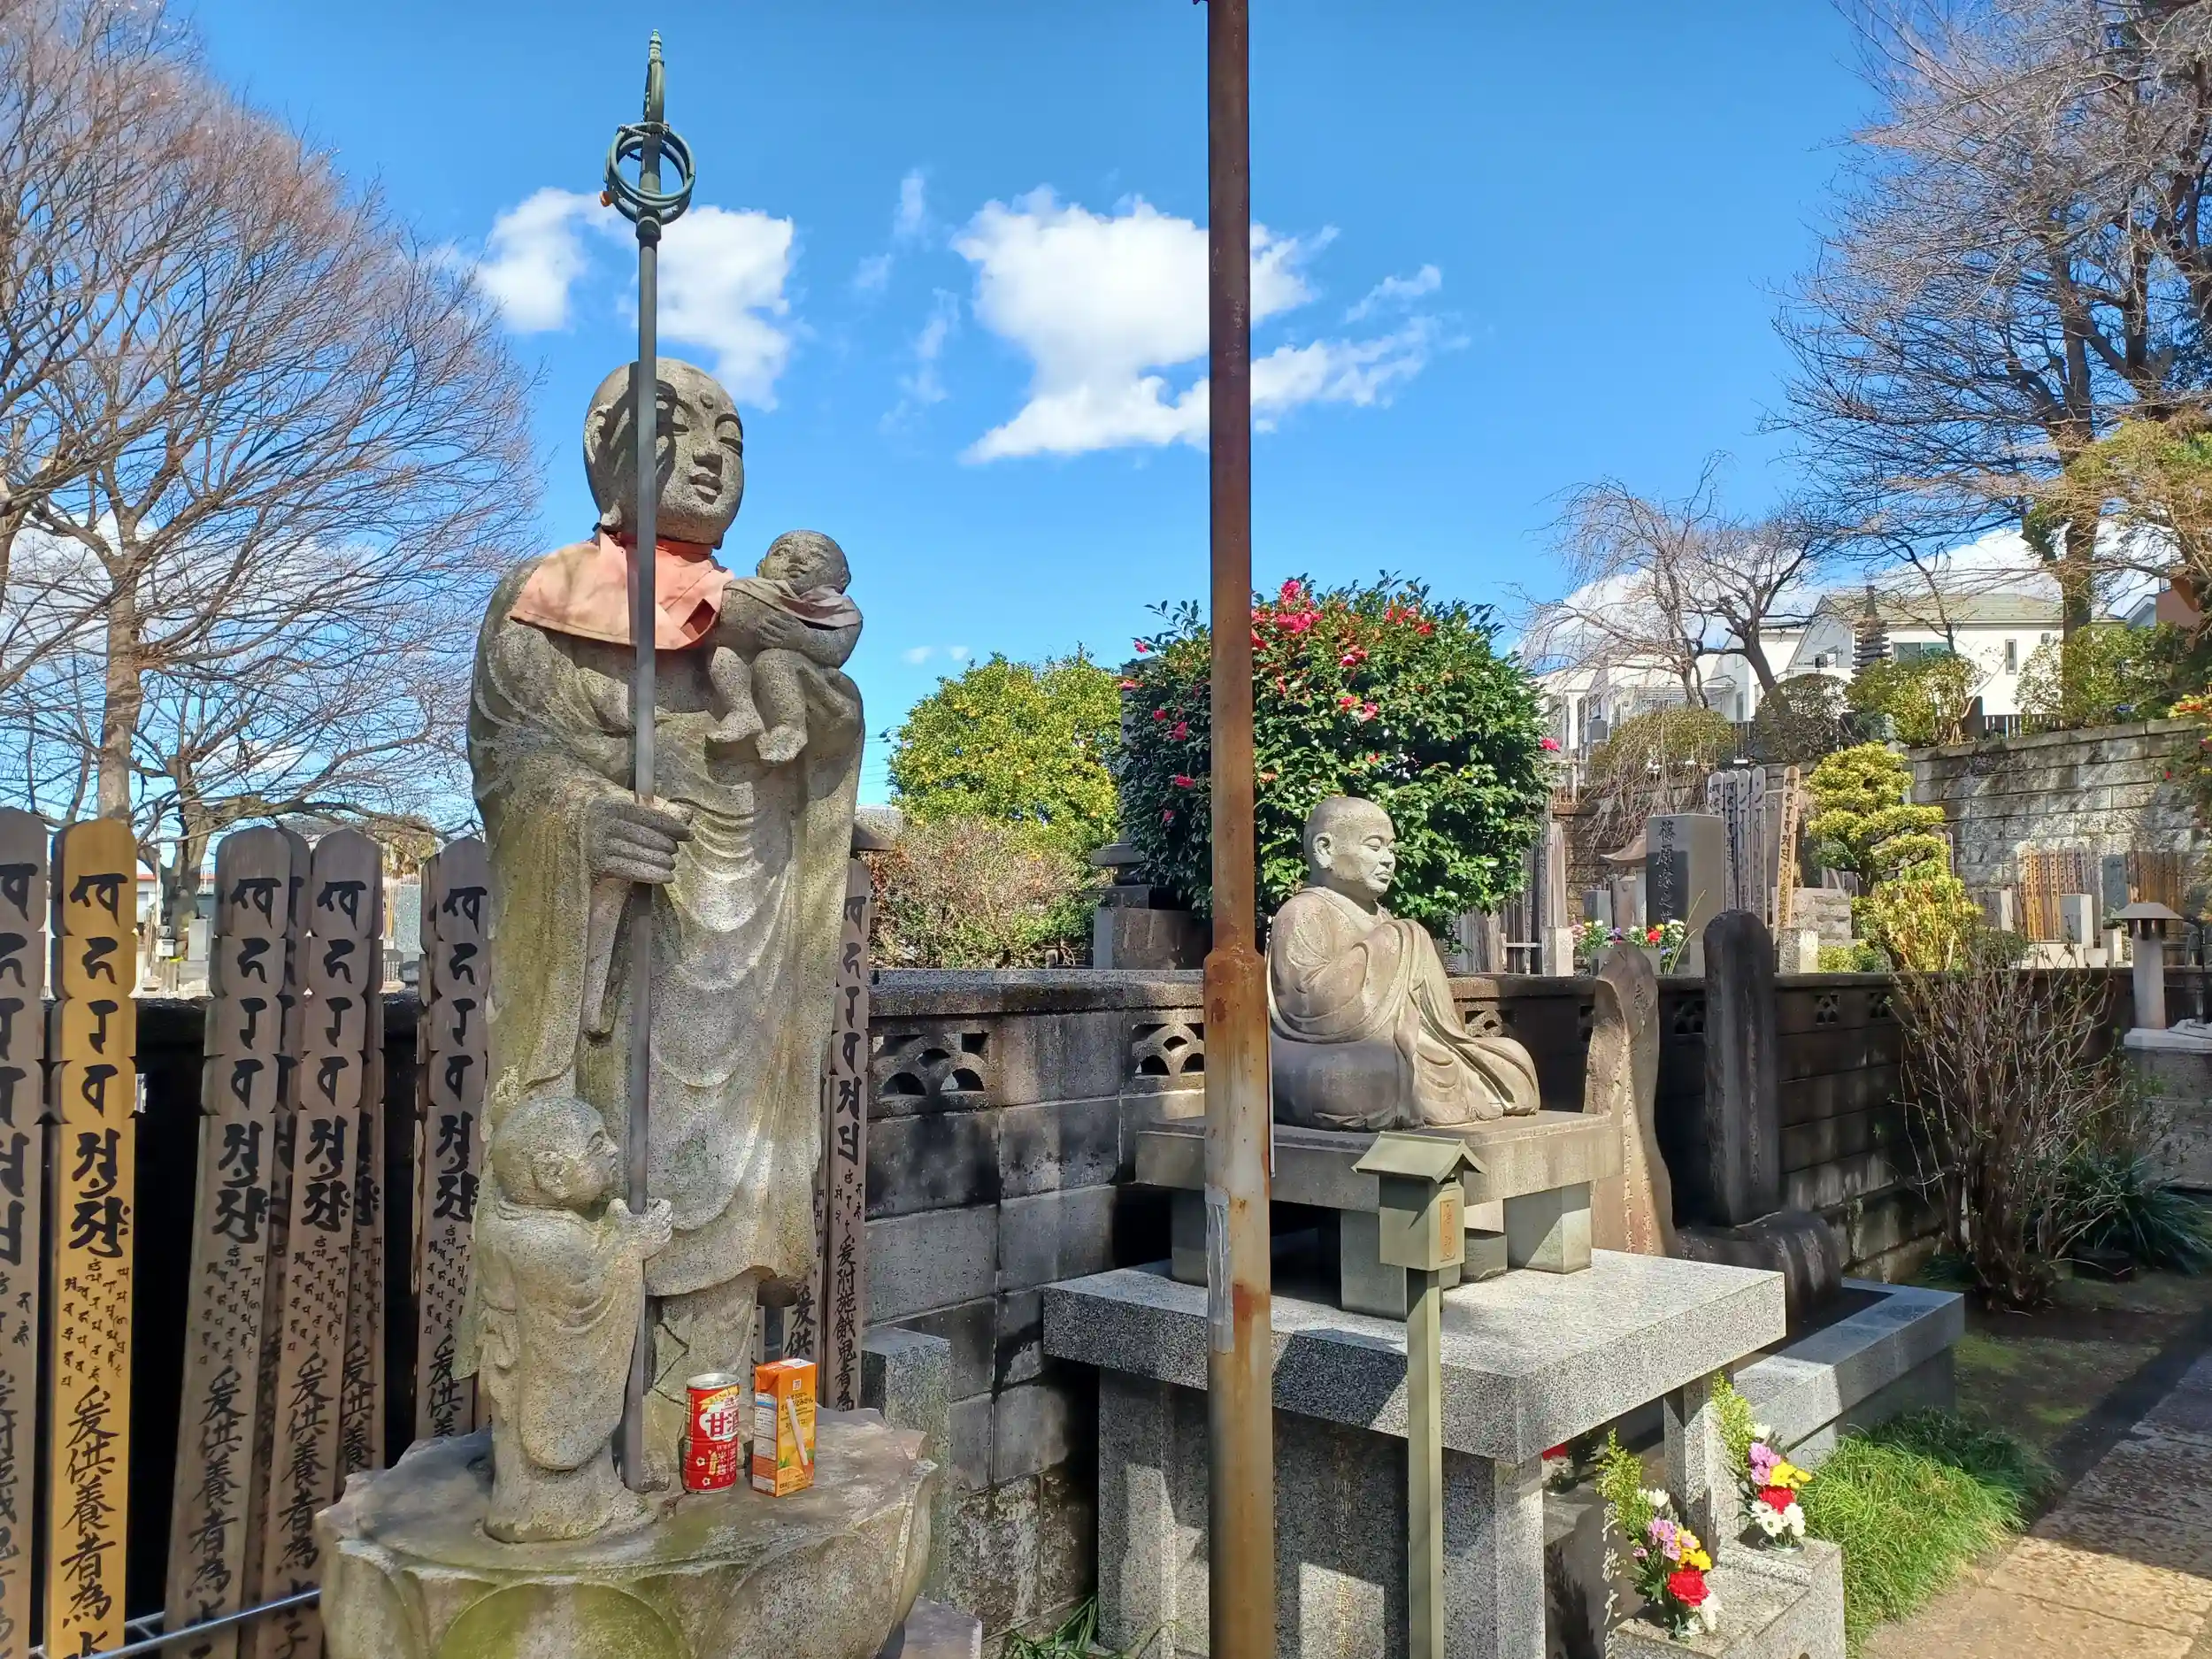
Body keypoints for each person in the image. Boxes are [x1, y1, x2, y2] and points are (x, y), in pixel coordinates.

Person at [465, 356, 861, 1488]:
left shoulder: (755, 609)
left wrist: (813, 730)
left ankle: (704, 1429)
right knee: (604, 1181)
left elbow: (824, 729)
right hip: (615, 950)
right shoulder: (547, 596)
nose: (708, 460)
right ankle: (574, 1455)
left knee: (734, 1189)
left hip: (747, 939)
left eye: (730, 442)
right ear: (607, 453)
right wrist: (583, 820)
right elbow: (509, 764)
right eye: (675, 433)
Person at [1268, 795, 1541, 1129]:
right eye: (1375, 846)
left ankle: (1427, 1084)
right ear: (1324, 849)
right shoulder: (1303, 912)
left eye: (1391, 848)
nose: (1388, 860)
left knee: (1513, 1059)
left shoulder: (1384, 917)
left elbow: (1436, 1025)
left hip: (1409, 1046)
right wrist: (1391, 943)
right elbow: (1304, 1008)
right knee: (1350, 1079)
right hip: (1326, 1048)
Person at [472, 1094, 672, 1541]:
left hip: (515, 1355)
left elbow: (589, 1263)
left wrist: (618, 1239)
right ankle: (562, 1515)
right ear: (552, 1174)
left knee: (516, 1439)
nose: (613, 1150)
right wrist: (635, 1248)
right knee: (549, 1444)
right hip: (541, 1369)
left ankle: (571, 1497)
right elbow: (585, 1300)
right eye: (596, 1144)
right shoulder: (542, 1241)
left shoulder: (509, 1219)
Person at [704, 529, 863, 764]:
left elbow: (837, 651)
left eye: (816, 556)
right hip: (751, 673)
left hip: (810, 680)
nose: (797, 559)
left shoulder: (841, 611)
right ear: (761, 567)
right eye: (782, 552)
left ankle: (789, 727)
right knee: (722, 655)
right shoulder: (759, 595)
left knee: (773, 659)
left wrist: (802, 638)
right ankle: (743, 712)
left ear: (842, 578)